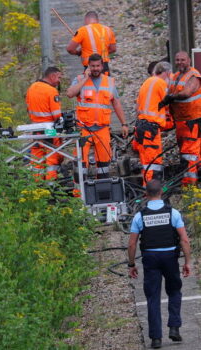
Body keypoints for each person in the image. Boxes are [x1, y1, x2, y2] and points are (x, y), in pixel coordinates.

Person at [128, 179, 191, 349]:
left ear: (146, 195)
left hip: (150, 258)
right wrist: (187, 262)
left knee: (153, 297)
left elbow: (132, 243)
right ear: (161, 193)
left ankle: (156, 338)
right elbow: (184, 240)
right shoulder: (173, 213)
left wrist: (131, 264)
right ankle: (174, 328)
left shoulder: (139, 216)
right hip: (170, 257)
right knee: (174, 291)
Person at [66, 53, 128, 193]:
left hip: (102, 129)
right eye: (92, 66)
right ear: (88, 66)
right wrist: (85, 79)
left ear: (102, 66)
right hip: (84, 129)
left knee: (104, 164)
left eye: (98, 66)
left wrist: (124, 123)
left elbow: (116, 103)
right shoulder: (80, 79)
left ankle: (103, 193)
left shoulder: (109, 82)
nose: (95, 68)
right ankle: (79, 197)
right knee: (80, 165)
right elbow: (70, 93)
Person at [160, 51, 201, 185]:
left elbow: (186, 93)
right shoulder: (176, 76)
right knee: (187, 153)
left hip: (192, 121)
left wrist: (171, 97)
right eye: (177, 60)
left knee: (190, 154)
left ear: (189, 60)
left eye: (182, 60)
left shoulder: (194, 76)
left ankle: (190, 185)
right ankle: (194, 180)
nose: (180, 62)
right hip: (181, 122)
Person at [133, 61, 172, 185]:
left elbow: (138, 107)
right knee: (154, 164)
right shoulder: (161, 83)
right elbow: (169, 103)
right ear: (167, 73)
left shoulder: (147, 82)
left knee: (146, 164)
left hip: (141, 126)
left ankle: (147, 191)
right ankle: (153, 194)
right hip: (151, 129)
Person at [25, 66, 63, 181]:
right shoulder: (51, 91)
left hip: (36, 129)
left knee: (37, 157)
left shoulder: (31, 88)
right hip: (50, 129)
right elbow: (57, 115)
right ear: (52, 76)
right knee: (52, 155)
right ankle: (51, 185)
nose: (59, 81)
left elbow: (28, 108)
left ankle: (37, 185)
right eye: (59, 77)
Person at [66, 11, 116, 75]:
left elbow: (70, 49)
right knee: (105, 84)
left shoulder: (83, 30)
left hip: (90, 68)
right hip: (104, 67)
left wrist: (78, 52)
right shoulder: (108, 30)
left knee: (89, 85)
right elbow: (113, 49)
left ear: (85, 19)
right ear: (97, 20)